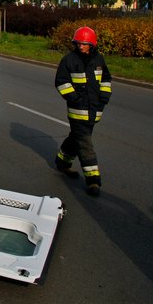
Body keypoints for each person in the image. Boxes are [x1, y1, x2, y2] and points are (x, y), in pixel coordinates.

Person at [54, 26, 112, 196]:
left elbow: (106, 80)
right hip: (77, 111)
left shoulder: (99, 60)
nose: (81, 46)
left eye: (85, 44)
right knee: (85, 143)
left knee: (76, 139)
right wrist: (75, 100)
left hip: (95, 111)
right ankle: (93, 180)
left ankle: (62, 162)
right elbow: (61, 82)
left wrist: (104, 98)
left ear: (92, 44)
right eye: (78, 43)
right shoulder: (69, 60)